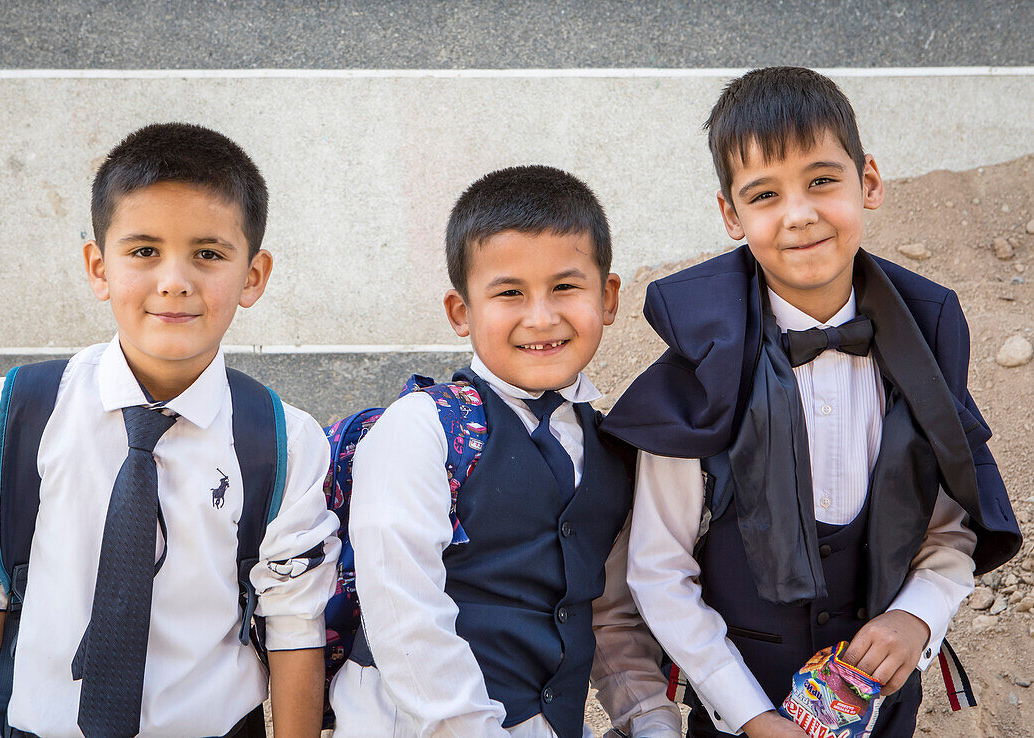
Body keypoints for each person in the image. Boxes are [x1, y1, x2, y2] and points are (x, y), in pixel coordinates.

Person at [602, 67, 1022, 737]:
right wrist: (751, 716)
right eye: (764, 194)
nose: (799, 213)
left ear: (870, 182)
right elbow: (659, 571)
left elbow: (949, 529)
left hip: (879, 710)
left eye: (822, 181)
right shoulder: (699, 369)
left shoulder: (925, 343)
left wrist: (917, 615)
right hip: (739, 710)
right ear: (731, 215)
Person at [0, 122, 340, 738]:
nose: (175, 280)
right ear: (98, 266)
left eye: (208, 253)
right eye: (143, 251)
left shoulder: (283, 440)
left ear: (254, 275)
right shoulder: (20, 409)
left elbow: (294, 624)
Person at [329, 165, 678, 737]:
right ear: (460, 311)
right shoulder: (422, 429)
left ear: (608, 297)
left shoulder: (613, 451)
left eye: (565, 287)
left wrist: (648, 715)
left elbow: (605, 615)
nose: (541, 317)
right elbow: (402, 610)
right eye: (510, 292)